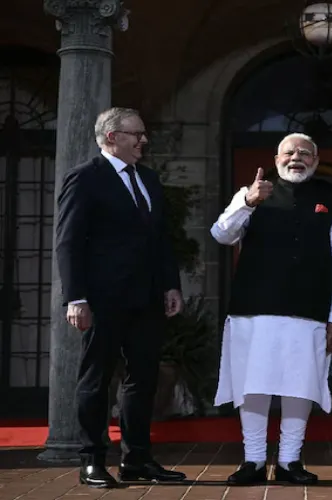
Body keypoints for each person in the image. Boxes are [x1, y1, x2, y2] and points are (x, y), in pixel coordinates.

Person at [211, 133, 332, 486]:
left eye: (305, 153)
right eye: (289, 153)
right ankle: (254, 460)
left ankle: (290, 460)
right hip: (253, 310)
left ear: (316, 161)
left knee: (299, 387)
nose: (297, 158)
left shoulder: (331, 200)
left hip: (309, 312)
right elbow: (220, 234)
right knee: (254, 385)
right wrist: (246, 201)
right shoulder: (254, 194)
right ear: (276, 159)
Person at [56, 107, 186, 488]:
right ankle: (92, 461)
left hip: (147, 298)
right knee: (96, 380)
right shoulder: (85, 178)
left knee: (142, 378)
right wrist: (75, 297)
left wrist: (171, 285)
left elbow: (161, 238)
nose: (143, 140)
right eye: (136, 134)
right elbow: (68, 242)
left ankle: (137, 459)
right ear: (112, 136)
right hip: (101, 299)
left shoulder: (148, 178)